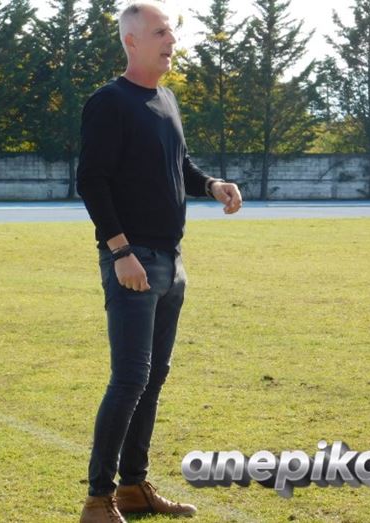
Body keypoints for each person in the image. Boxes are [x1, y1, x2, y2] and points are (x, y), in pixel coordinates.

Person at [75, 1, 243, 521]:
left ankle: (133, 487)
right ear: (131, 41)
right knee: (129, 379)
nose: (171, 40)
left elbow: (179, 164)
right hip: (135, 261)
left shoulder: (166, 99)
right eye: (159, 32)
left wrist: (211, 184)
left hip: (171, 260)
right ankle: (98, 499)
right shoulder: (109, 102)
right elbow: (91, 181)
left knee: (152, 380)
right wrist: (120, 250)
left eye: (171, 31)